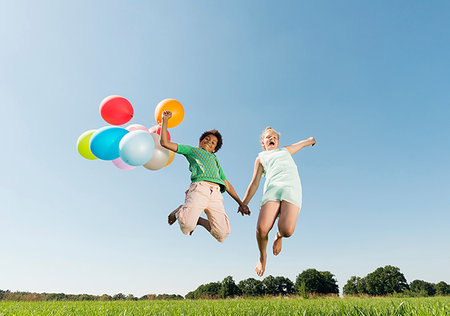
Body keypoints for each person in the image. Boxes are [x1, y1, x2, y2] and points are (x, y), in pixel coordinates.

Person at [160, 110, 250, 242]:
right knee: (186, 226)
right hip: (200, 189)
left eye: (213, 142)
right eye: (207, 139)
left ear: (214, 149)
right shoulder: (192, 150)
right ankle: (181, 210)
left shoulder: (215, 161)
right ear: (200, 141)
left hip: (216, 195)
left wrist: (241, 203)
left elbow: (227, 184)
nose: (209, 141)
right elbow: (165, 143)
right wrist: (165, 120)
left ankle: (199, 221)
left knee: (222, 234)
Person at [241, 127, 316, 276]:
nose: (272, 139)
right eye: (268, 137)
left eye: (274, 137)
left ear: (278, 141)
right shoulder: (261, 158)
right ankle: (263, 257)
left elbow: (299, 144)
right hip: (272, 190)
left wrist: (310, 141)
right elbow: (254, 183)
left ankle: (279, 236)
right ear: (263, 142)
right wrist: (244, 202)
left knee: (287, 230)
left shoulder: (284, 151)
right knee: (261, 229)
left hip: (291, 188)